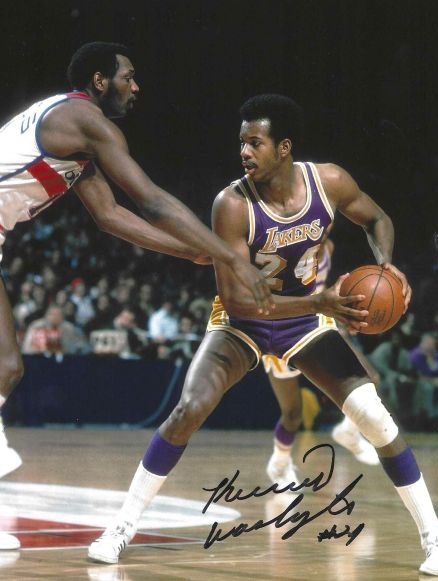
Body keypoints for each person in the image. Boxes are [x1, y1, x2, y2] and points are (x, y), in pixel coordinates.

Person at [88, 94, 438, 576]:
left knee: (376, 419)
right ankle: (121, 527)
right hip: (243, 322)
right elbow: (240, 302)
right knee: (189, 408)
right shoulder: (231, 204)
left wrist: (385, 263)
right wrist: (318, 304)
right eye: (241, 142)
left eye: (254, 143)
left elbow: (377, 218)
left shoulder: (329, 181)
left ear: (284, 147)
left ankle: (437, 541)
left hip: (302, 320)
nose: (244, 151)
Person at [0, 42, 273, 551]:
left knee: (7, 368)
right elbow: (150, 201)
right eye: (128, 76)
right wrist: (229, 258)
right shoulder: (86, 120)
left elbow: (111, 217)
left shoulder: (73, 132)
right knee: (4, 368)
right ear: (100, 81)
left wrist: (191, 252)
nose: (136, 86)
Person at [264, 238, 380, 490]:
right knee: (292, 414)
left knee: (370, 379)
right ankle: (279, 464)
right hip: (284, 327)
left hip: (316, 323)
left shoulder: (328, 246)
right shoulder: (290, 243)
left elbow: (321, 289)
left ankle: (348, 432)